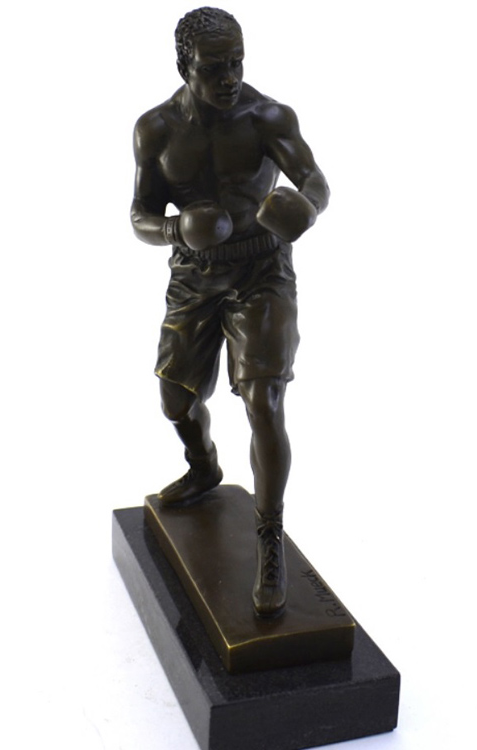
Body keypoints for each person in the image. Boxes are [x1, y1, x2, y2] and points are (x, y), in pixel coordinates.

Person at [131, 7, 329, 618]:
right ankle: (203, 466)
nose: (230, 78)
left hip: (261, 268)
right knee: (175, 400)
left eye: (237, 63)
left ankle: (269, 536)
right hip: (195, 273)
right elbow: (139, 215)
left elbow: (315, 179)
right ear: (183, 67)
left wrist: (307, 207)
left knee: (264, 399)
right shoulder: (156, 129)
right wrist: (174, 230)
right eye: (214, 68)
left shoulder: (268, 117)